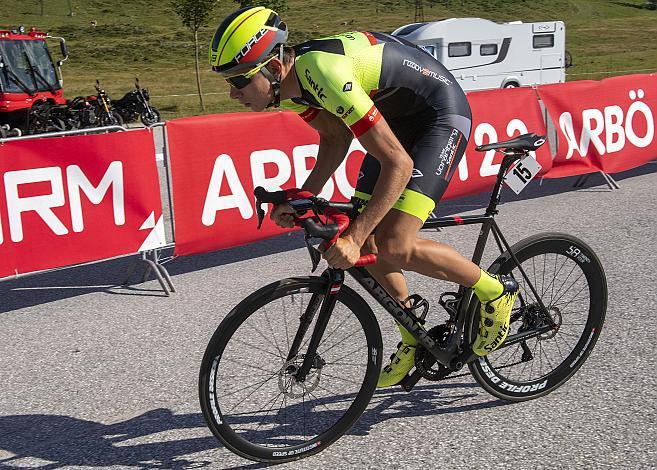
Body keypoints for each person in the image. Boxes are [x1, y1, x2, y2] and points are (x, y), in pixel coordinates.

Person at [209, 6, 519, 388]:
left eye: (239, 80)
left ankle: (495, 292)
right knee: (369, 240)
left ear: (273, 67)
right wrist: (304, 197)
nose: (232, 92)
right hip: (397, 121)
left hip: (438, 116)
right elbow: (336, 137)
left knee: (393, 242)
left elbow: (399, 165)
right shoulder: (294, 86)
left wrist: (354, 238)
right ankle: (413, 336)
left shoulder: (322, 73)